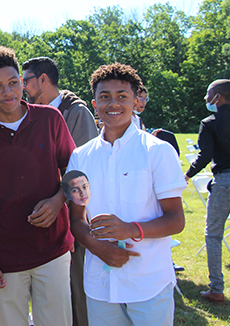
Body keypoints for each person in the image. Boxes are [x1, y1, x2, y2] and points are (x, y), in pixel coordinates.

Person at [68, 62, 185, 326]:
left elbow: (176, 220)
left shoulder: (158, 151)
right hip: (99, 283)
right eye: (104, 96)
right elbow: (77, 219)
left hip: (148, 281)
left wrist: (130, 229)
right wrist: (96, 246)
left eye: (122, 95)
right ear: (94, 102)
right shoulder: (80, 156)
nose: (113, 103)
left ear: (136, 100)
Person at [0, 46, 75, 326]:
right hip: (6, 254)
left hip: (53, 247)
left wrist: (57, 201)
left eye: (14, 82)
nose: (8, 92)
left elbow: (72, 173)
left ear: (22, 83)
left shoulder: (50, 119)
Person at [21, 56, 97, 326]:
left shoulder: (75, 112)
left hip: (71, 216)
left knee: (76, 287)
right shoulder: (29, 114)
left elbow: (82, 173)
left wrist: (59, 201)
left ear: (43, 79)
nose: (22, 87)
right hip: (40, 218)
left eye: (25, 80)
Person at [185, 79, 230, 304]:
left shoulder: (210, 122)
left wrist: (187, 174)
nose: (206, 98)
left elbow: (205, 155)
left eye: (208, 94)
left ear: (218, 96)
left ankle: (216, 289)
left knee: (214, 234)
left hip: (225, 179)